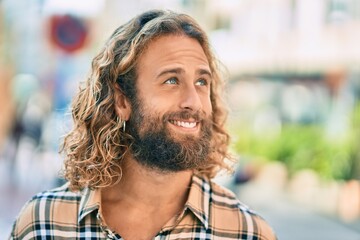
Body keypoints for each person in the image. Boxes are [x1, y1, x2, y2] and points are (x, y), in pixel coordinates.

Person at [10, 9, 277, 240]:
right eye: (171, 80)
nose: (193, 101)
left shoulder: (247, 232)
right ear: (122, 101)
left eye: (201, 82)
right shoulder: (44, 225)